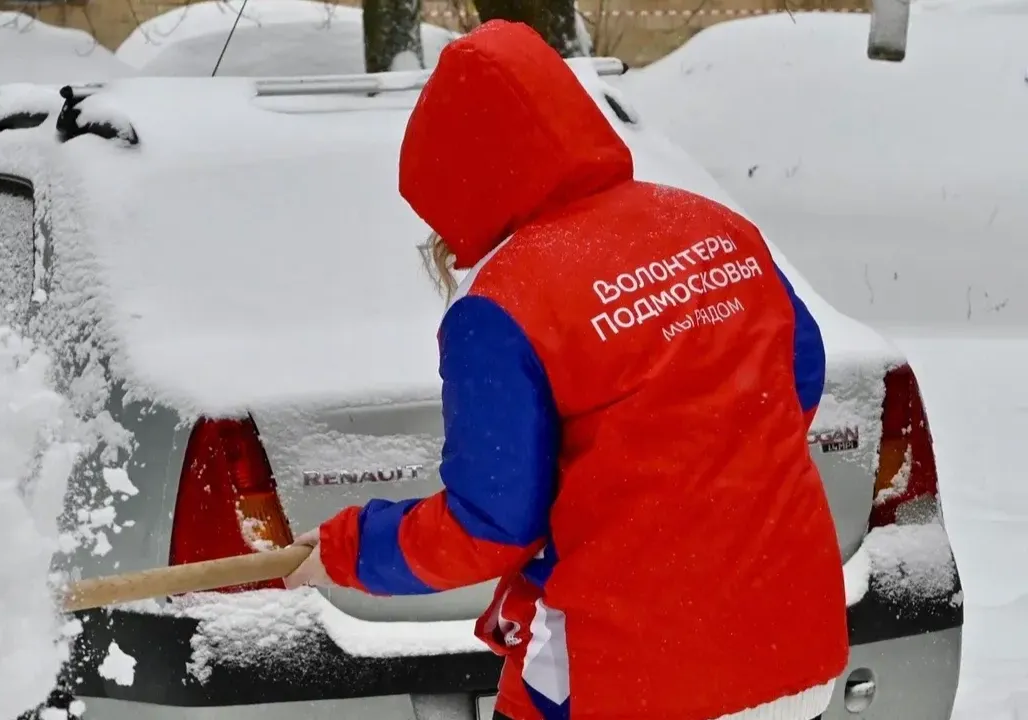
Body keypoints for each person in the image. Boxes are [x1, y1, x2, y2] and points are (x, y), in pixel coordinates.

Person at [283, 19, 848, 720]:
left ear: (453, 180)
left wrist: (348, 549)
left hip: (634, 680)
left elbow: (488, 527)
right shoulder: (713, 228)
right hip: (790, 653)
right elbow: (799, 375)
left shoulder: (504, 306)